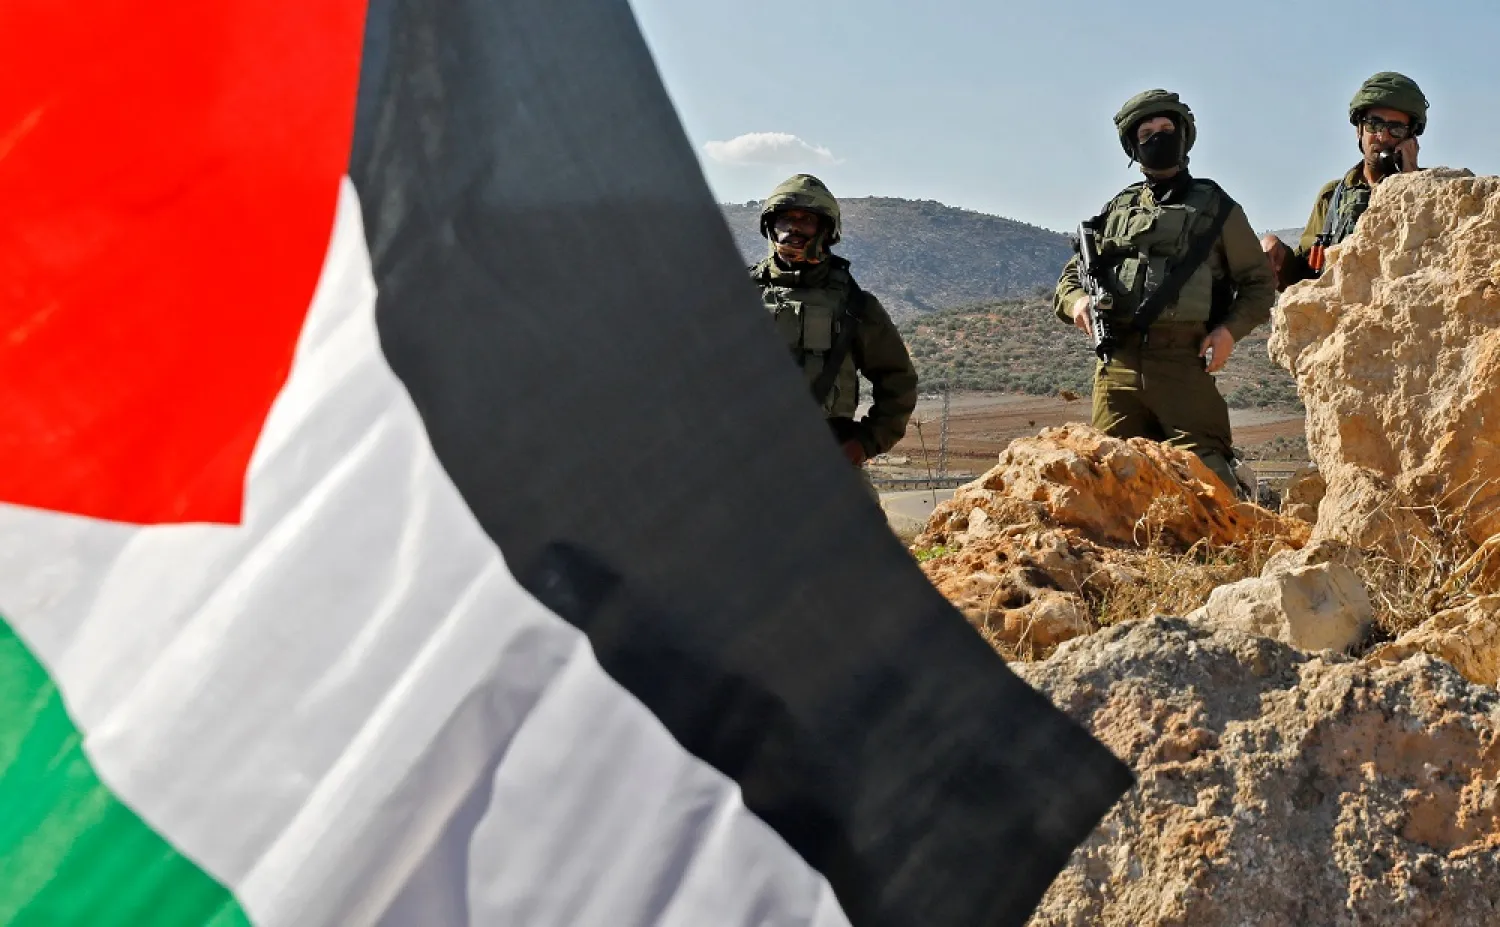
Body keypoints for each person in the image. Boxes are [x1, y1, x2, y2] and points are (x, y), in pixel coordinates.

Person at [1052, 89, 1275, 494]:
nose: (1158, 138)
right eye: (1147, 133)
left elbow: (1259, 284)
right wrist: (1078, 302)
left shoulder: (1217, 208)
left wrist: (1228, 332)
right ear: (1133, 147)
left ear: (1184, 136)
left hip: (1182, 363)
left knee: (1208, 481)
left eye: (1167, 128)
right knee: (1108, 482)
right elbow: (1070, 279)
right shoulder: (1116, 209)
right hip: (1116, 367)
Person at [750, 174, 917, 486]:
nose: (794, 229)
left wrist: (865, 442)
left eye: (806, 221)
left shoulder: (854, 304)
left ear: (826, 230)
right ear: (770, 226)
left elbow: (898, 380)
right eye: (785, 219)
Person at [1262, 72, 1429, 290]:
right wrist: (1277, 252)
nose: (1383, 137)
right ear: (1359, 130)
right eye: (1374, 125)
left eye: (1396, 129)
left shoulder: (1433, 195)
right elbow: (1303, 276)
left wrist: (1411, 180)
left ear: (1410, 138)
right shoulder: (1333, 197)